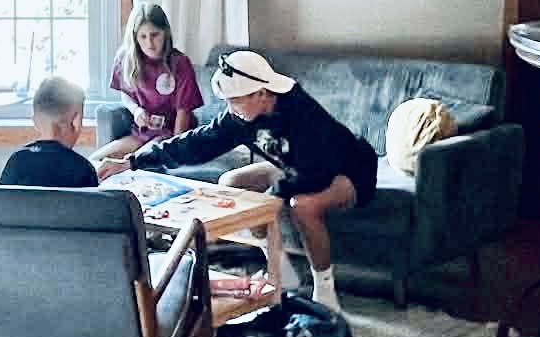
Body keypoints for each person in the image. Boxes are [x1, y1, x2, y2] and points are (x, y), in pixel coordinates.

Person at [100, 49, 374, 311]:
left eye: (235, 100)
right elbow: (197, 144)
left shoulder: (304, 117)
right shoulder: (243, 116)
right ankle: (282, 273)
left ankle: (325, 292)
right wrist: (133, 161)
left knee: (301, 205)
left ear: (262, 93)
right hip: (293, 164)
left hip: (347, 169)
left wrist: (269, 198)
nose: (229, 108)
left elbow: (314, 175)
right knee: (232, 184)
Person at [93, 1, 204, 162]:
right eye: (143, 37)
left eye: (155, 35)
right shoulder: (126, 59)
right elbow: (126, 93)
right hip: (141, 133)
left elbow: (183, 112)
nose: (149, 44)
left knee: (135, 162)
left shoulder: (179, 63)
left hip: (171, 135)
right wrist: (136, 111)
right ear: (135, 37)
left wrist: (176, 148)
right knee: (96, 162)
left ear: (165, 32)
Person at [0, 76, 99, 188]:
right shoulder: (83, 170)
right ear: (76, 121)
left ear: (35, 121)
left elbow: (2, 203)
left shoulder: (16, 162)